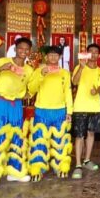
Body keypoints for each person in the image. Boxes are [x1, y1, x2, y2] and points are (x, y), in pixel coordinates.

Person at [0, 37, 35, 194]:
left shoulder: (29, 69)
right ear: (15, 49)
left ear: (29, 52)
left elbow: (30, 88)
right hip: (0, 103)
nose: (23, 51)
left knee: (17, 138)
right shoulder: (3, 61)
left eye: (26, 49)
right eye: (21, 48)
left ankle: (14, 172)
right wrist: (0, 69)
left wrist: (28, 93)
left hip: (16, 105)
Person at [29, 45, 74, 181]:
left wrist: (69, 111)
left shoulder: (65, 73)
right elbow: (31, 89)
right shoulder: (38, 70)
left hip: (60, 110)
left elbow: (68, 92)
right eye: (50, 55)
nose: (53, 57)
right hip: (42, 110)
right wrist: (41, 75)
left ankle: (60, 167)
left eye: (56, 55)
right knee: (39, 140)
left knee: (60, 140)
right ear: (46, 57)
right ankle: (38, 168)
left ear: (60, 57)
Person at [70, 43, 100, 179]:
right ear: (87, 54)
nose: (94, 54)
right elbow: (74, 82)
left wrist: (97, 90)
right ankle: (78, 165)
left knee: (91, 134)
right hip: (80, 106)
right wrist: (81, 67)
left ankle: (87, 160)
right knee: (79, 136)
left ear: (99, 55)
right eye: (91, 52)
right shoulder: (80, 67)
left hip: (95, 107)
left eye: (96, 52)